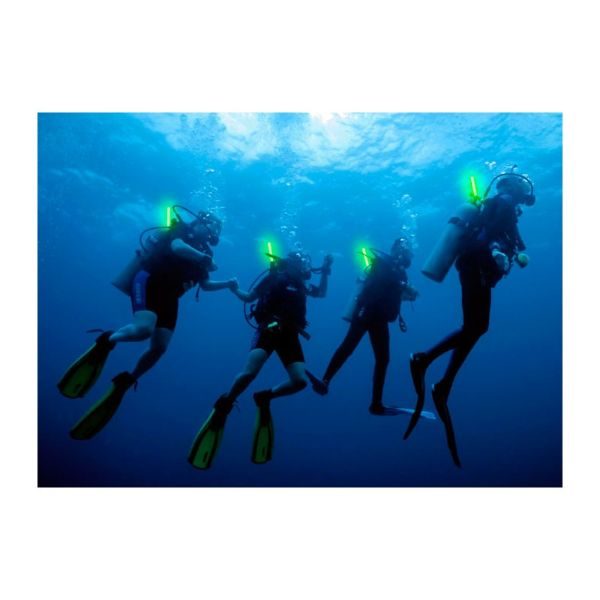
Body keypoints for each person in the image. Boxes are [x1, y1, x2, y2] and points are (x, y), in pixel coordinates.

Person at [58, 208, 239, 439]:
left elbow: (205, 285)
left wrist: (228, 284)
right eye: (213, 224)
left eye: (218, 228)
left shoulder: (206, 252)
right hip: (150, 280)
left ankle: (128, 380)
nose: (215, 230)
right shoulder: (181, 230)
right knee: (143, 329)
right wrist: (203, 258)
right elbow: (177, 247)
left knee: (159, 348)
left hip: (171, 297)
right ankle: (107, 340)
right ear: (200, 222)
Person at [405, 173, 534, 466]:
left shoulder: (503, 206)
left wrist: (512, 252)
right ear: (511, 186)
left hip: (477, 270)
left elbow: (510, 238)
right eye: (522, 186)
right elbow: (490, 234)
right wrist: (496, 251)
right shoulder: (503, 202)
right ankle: (424, 361)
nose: (524, 191)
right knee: (477, 326)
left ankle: (442, 384)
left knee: (476, 327)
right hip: (476, 268)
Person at [188, 250, 333, 469]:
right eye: (302, 263)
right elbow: (249, 297)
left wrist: (326, 270)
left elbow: (321, 293)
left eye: (306, 264)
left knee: (300, 382)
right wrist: (233, 287)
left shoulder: (301, 285)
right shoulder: (275, 277)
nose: (305, 268)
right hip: (268, 329)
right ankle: (225, 404)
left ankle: (264, 397)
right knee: (249, 373)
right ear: (291, 263)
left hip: (290, 335)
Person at [309, 238, 418, 415]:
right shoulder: (383, 263)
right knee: (348, 347)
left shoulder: (401, 273)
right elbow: (381, 281)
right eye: (404, 251)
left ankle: (376, 403)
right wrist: (404, 286)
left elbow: (392, 294)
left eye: (407, 252)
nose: (406, 255)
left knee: (383, 359)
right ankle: (326, 381)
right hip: (366, 313)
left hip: (380, 319)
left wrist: (408, 293)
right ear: (397, 251)